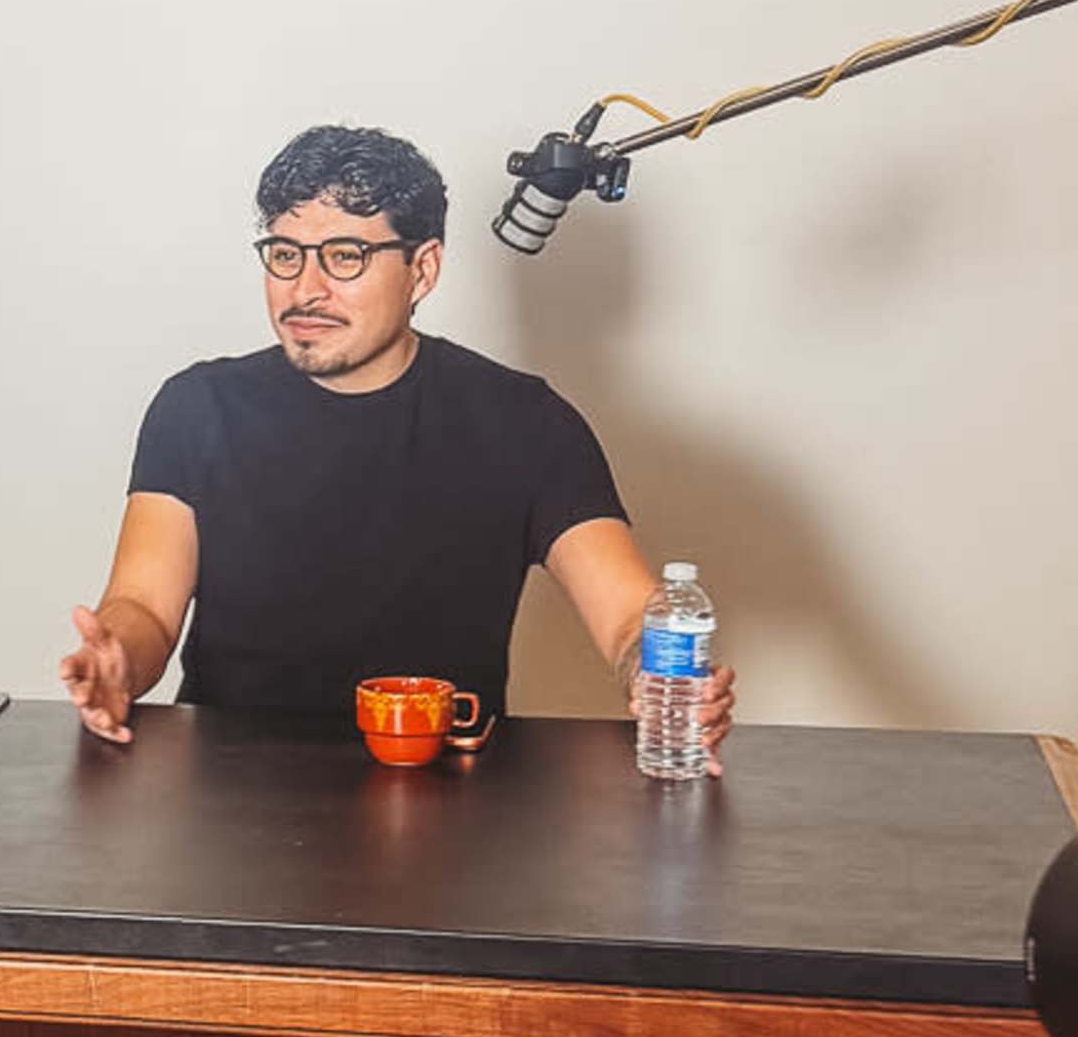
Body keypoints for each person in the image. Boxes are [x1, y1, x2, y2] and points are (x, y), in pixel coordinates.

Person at [58, 121, 734, 746]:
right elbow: (144, 605)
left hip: (448, 800)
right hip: (224, 798)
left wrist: (657, 676)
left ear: (423, 269)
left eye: (346, 256)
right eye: (286, 254)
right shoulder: (198, 407)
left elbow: (625, 618)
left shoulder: (526, 424)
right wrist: (117, 658)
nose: (306, 287)